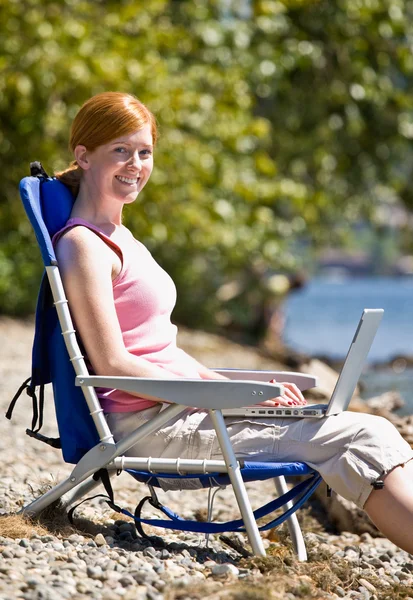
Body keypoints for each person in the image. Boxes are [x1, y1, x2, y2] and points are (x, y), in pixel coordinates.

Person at [54, 91, 413, 553]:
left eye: (145, 152)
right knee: (362, 433)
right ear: (83, 155)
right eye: (120, 150)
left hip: (186, 409)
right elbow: (113, 364)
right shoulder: (84, 246)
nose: (136, 164)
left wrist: (236, 388)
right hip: (155, 429)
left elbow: (159, 350)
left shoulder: (121, 237)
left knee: (361, 427)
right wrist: (221, 398)